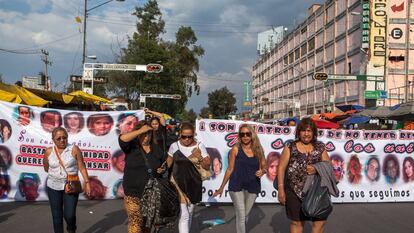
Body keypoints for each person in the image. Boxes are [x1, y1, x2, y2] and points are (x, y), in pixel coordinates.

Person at [277, 118, 330, 233]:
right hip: (294, 191)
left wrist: (316, 169)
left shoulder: (320, 147)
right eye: (303, 131)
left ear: (314, 132)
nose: (306, 134)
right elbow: (281, 168)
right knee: (297, 223)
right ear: (298, 132)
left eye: (309, 131)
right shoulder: (290, 146)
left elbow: (328, 166)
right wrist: (281, 189)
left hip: (317, 191)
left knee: (320, 222)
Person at [213, 124, 266, 233]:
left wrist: (262, 171)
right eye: (242, 134)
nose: (245, 136)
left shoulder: (259, 150)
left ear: (252, 135)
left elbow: (264, 166)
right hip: (236, 185)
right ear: (239, 136)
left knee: (245, 214)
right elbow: (229, 169)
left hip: (253, 186)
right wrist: (221, 187)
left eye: (248, 134)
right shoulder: (235, 149)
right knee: (242, 215)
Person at [119, 120, 165, 233]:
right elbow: (122, 139)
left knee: (146, 225)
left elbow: (163, 165)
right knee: (136, 221)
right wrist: (141, 130)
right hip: (132, 192)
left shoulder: (156, 149)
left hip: (150, 194)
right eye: (144, 134)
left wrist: (162, 169)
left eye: (148, 133)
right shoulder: (131, 147)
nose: (146, 136)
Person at [164, 122, 210, 233]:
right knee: (184, 215)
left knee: (189, 212)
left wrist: (200, 157)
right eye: (184, 136)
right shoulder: (175, 146)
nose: (187, 139)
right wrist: (161, 168)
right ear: (180, 134)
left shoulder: (199, 146)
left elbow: (207, 166)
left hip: (194, 183)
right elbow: (168, 162)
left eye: (190, 137)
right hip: (177, 182)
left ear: (193, 135)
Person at [43, 127, 91, 233]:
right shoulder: (48, 151)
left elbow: (82, 167)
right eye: (58, 138)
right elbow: (46, 168)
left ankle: (71, 228)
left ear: (67, 137)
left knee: (69, 215)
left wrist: (87, 183)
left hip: (71, 186)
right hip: (53, 187)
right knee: (56, 217)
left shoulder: (74, 149)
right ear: (53, 140)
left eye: (64, 137)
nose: (62, 140)